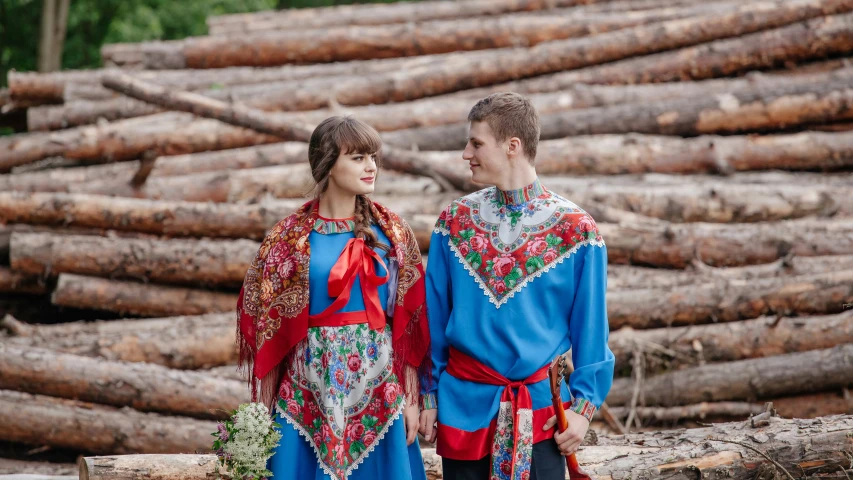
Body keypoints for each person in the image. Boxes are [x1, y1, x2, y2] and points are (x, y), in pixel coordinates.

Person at [418, 93, 615, 480]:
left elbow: (591, 327)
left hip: (541, 412)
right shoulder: (454, 222)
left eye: (476, 143)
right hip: (464, 405)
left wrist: (584, 409)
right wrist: (429, 394)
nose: (465, 154)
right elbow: (434, 316)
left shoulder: (577, 232)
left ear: (513, 146)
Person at [236, 116, 432, 480]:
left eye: (373, 156)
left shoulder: (393, 232)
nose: (371, 166)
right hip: (307, 390)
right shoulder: (287, 239)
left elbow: (410, 325)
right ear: (327, 163)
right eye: (358, 157)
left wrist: (411, 399)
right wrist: (260, 414)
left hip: (379, 391)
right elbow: (270, 330)